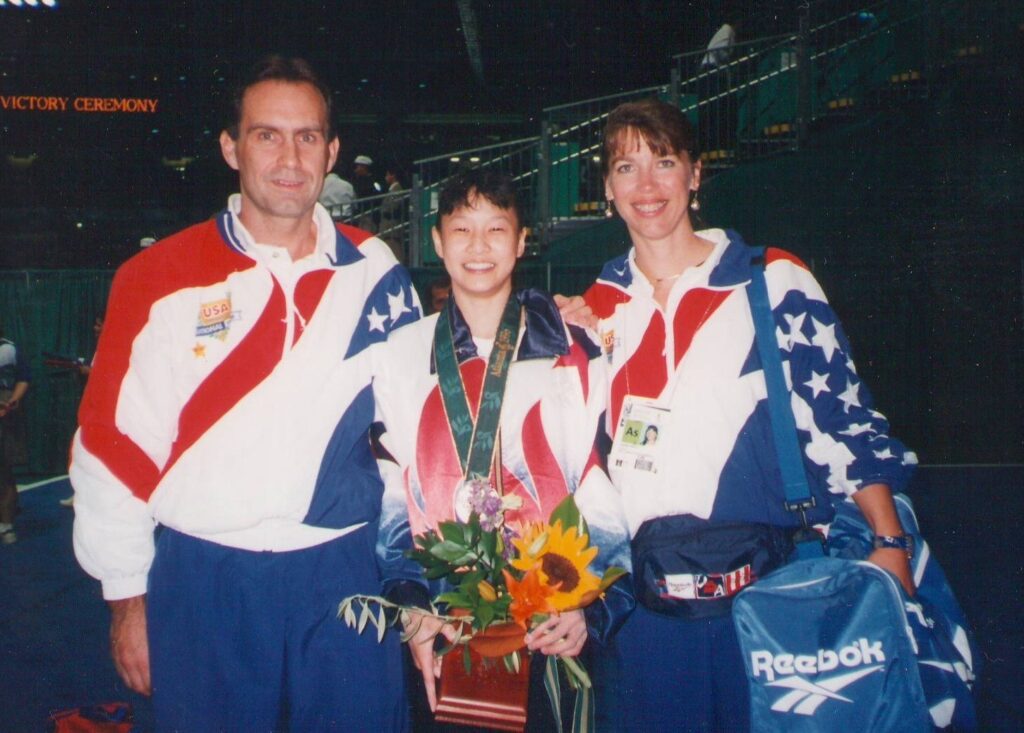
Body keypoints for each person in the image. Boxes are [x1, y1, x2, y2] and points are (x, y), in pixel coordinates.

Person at [69, 55, 419, 732]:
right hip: (204, 579)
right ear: (231, 147)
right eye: (267, 135)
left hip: (342, 572)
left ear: (333, 150)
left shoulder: (376, 269)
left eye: (308, 136)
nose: (290, 157)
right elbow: (111, 447)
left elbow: (419, 420)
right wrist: (127, 599)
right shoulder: (156, 276)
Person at [584, 98, 916, 731]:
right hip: (647, 620)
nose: (647, 186)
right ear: (607, 187)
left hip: (772, 603)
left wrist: (889, 540)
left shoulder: (771, 279)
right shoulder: (596, 309)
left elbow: (845, 418)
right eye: (626, 168)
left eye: (664, 161)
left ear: (696, 174)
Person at [372, 169, 632, 728]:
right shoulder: (400, 354)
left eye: (496, 229)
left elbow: (599, 479)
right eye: (462, 229)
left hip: (551, 626)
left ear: (521, 242)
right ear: (437, 242)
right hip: (441, 626)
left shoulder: (572, 348)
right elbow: (392, 492)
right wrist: (410, 607)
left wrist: (594, 609)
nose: (479, 246)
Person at [0, 323, 30, 545]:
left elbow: (23, 377)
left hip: (6, 420)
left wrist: (13, 399)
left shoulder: (10, 349)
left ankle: (6, 525)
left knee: (5, 472)